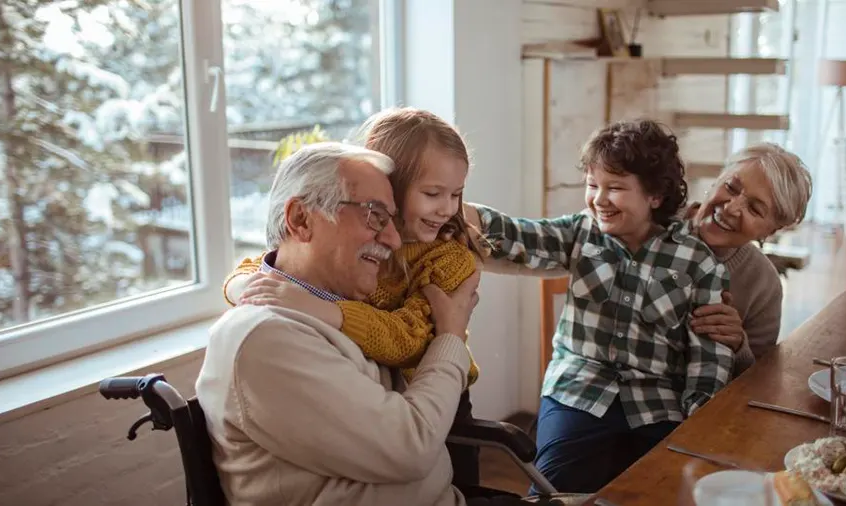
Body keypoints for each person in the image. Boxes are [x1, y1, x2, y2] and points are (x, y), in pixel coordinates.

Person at [195, 142, 526, 505]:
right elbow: (409, 447)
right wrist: (450, 336)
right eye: (374, 215)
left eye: (393, 220)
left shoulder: (336, 299)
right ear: (301, 220)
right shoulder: (264, 339)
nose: (395, 239)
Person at [466, 120, 735, 494]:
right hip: (579, 387)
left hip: (658, 399)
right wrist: (451, 207)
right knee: (551, 493)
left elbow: (708, 359)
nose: (599, 199)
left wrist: (698, 420)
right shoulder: (580, 231)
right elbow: (517, 235)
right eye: (593, 185)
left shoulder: (698, 262)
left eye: (616, 188)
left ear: (655, 196)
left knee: (669, 488)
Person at [685, 143, 813, 375]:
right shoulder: (645, 221)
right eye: (731, 187)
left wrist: (737, 344)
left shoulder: (764, 284)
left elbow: (759, 381)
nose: (731, 208)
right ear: (717, 179)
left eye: (754, 209)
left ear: (769, 233)